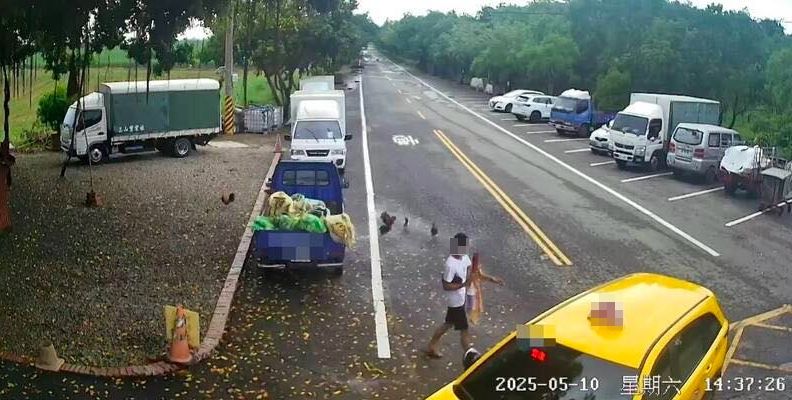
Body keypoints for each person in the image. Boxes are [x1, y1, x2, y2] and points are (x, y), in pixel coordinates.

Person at [425, 233, 473, 359]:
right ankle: (469, 355)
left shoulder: (464, 257)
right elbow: (446, 285)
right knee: (464, 329)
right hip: (455, 302)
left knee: (447, 324)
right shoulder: (450, 265)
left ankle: (431, 346)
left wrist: (467, 277)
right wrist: (463, 284)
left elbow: (468, 265)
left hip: (460, 299)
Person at [466, 252, 504, 326]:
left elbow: (480, 276)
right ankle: (470, 319)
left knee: (474, 305)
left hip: (473, 289)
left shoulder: (474, 268)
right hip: (469, 290)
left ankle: (472, 319)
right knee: (472, 305)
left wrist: (494, 280)